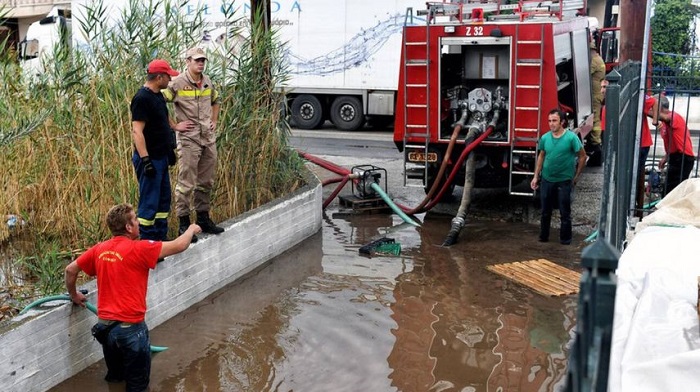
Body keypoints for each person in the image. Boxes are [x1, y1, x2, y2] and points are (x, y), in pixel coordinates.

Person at [65, 203, 202, 391]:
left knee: (115, 379)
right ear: (129, 227)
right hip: (131, 330)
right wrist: (191, 229)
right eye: (136, 219)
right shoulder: (140, 249)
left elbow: (70, 270)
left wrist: (74, 295)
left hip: (105, 330)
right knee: (137, 386)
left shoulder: (99, 249)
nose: (139, 222)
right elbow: (179, 245)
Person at [163, 47, 224, 241]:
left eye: (203, 60)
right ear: (187, 61)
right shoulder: (177, 82)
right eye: (197, 60)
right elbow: (158, 102)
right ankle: (183, 224)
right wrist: (174, 125)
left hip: (208, 138)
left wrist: (214, 120)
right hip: (189, 139)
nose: (201, 63)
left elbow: (216, 101)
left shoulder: (207, 81)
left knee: (206, 181)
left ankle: (203, 218)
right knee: (186, 183)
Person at [131, 59, 189, 241]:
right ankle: (148, 242)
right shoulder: (141, 98)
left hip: (161, 157)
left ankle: (160, 240)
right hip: (151, 159)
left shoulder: (157, 95)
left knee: (163, 202)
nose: (170, 80)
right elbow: (137, 131)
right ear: (158, 77)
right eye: (168, 76)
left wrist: (175, 128)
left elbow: (163, 116)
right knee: (149, 203)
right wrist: (145, 160)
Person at [531, 109, 588, 245]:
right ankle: (543, 237)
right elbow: (541, 155)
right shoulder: (545, 138)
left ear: (562, 122)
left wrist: (576, 176)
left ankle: (565, 240)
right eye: (549, 121)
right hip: (547, 179)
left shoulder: (571, 137)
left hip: (564, 181)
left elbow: (582, 156)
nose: (551, 124)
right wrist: (535, 176)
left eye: (554, 121)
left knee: (565, 212)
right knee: (545, 211)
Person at [654, 95, 696, 195]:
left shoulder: (673, 117)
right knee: (669, 190)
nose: (652, 109)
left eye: (654, 106)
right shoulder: (665, 123)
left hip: (683, 158)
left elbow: (664, 117)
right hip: (676, 157)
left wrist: (647, 110)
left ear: (660, 107)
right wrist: (666, 156)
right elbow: (671, 142)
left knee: (672, 192)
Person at [587, 42, 606, 163]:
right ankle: (596, 144)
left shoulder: (594, 61)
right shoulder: (599, 59)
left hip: (595, 94)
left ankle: (596, 145)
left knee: (595, 120)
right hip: (597, 93)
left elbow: (585, 73)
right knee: (596, 118)